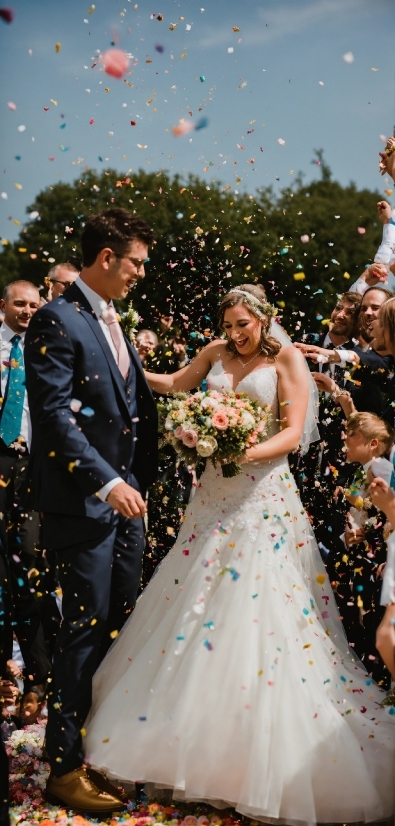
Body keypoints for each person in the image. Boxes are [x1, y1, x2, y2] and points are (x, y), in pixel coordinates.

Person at [85, 284, 395, 826]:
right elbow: (174, 384)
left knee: (261, 609)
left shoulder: (289, 359)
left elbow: (294, 434)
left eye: (242, 326)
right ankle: (176, 740)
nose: (234, 335)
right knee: (193, 601)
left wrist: (235, 452)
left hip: (261, 497)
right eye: (228, 326)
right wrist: (125, 357)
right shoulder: (212, 353)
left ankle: (253, 755)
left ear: (262, 318)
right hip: (211, 497)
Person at [24, 208, 158, 813]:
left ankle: (101, 746)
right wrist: (107, 485)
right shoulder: (56, 318)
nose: (140, 274)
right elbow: (54, 417)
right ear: (107, 257)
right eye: (136, 262)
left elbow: (128, 410)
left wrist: (142, 484)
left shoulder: (109, 317)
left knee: (117, 627)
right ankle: (63, 766)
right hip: (85, 507)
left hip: (125, 506)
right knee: (81, 633)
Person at [0, 281, 50, 688]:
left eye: (35, 304)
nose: (28, 310)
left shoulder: (47, 351)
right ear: (3, 305)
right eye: (20, 304)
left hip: (30, 467)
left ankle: (38, 672)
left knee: (29, 562)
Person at [327, 412, 394, 686]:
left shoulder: (380, 467)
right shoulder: (363, 468)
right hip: (355, 553)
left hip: (371, 556)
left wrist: (364, 532)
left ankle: (376, 680)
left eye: (353, 436)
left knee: (367, 617)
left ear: (373, 444)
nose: (346, 441)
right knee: (356, 614)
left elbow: (386, 512)